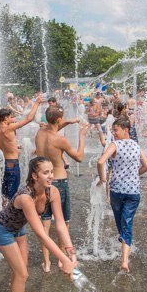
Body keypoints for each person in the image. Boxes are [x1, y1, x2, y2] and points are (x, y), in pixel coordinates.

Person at [0, 156, 77, 292]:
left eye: (52, 171)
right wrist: (63, 259)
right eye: (45, 172)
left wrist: (71, 252)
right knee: (22, 273)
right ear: (34, 176)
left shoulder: (53, 192)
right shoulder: (25, 197)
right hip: (3, 229)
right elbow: (41, 234)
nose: (51, 175)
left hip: (19, 228)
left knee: (22, 269)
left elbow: (60, 224)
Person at [35, 106, 90, 273]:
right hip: (58, 182)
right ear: (58, 120)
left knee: (45, 225)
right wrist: (82, 136)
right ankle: (61, 259)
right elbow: (79, 157)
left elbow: (53, 127)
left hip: (42, 184)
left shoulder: (40, 133)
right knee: (63, 222)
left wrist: (69, 122)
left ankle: (46, 263)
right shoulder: (60, 140)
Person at [97, 118, 147, 273]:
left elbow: (101, 162)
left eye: (116, 130)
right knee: (126, 222)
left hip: (117, 191)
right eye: (113, 130)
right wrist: (135, 175)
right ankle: (126, 243)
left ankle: (124, 262)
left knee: (122, 222)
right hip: (133, 192)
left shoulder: (115, 145)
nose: (113, 133)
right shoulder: (136, 146)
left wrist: (102, 178)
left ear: (126, 130)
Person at [0, 94, 44, 201]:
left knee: (5, 193)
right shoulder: (9, 128)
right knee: (13, 193)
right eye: (10, 117)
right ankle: (11, 210)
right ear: (5, 118)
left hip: (4, 163)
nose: (12, 119)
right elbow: (29, 118)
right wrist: (37, 103)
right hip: (13, 164)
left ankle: (4, 208)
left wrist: (11, 147)